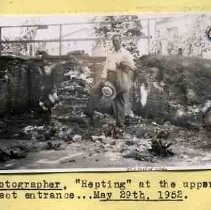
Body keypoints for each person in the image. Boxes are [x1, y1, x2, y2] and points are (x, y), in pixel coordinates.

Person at [85, 34, 135, 127]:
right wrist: (103, 77)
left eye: (116, 41)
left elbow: (132, 67)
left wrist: (122, 66)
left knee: (119, 99)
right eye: (113, 41)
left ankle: (120, 124)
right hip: (109, 77)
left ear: (121, 41)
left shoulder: (125, 53)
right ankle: (88, 115)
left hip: (119, 77)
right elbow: (106, 66)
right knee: (95, 90)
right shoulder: (111, 52)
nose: (115, 43)